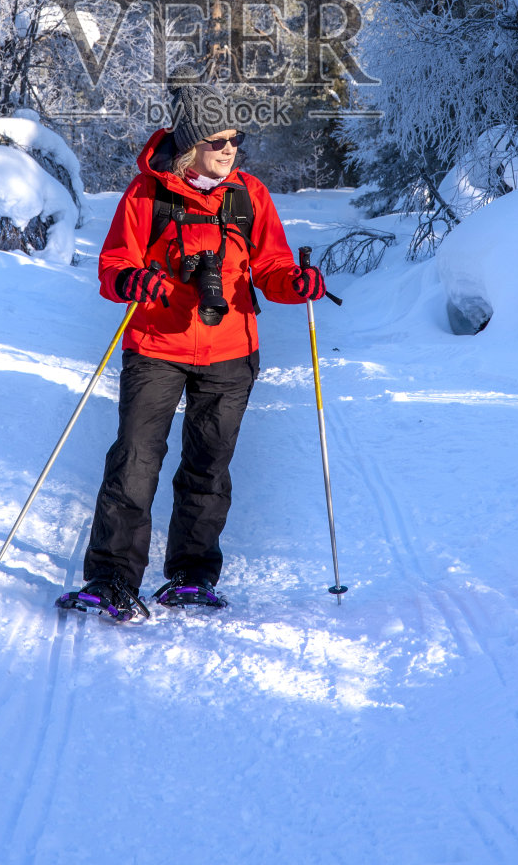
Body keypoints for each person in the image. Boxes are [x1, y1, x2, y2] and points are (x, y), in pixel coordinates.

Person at [56, 86, 326, 621]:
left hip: (230, 351)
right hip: (157, 345)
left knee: (208, 467)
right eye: (217, 140)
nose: (230, 149)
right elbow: (113, 265)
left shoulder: (250, 195)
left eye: (236, 139)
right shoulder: (147, 194)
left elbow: (271, 270)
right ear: (188, 143)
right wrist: (134, 279)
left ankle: (191, 577)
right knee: (134, 462)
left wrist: (297, 282)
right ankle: (111, 578)